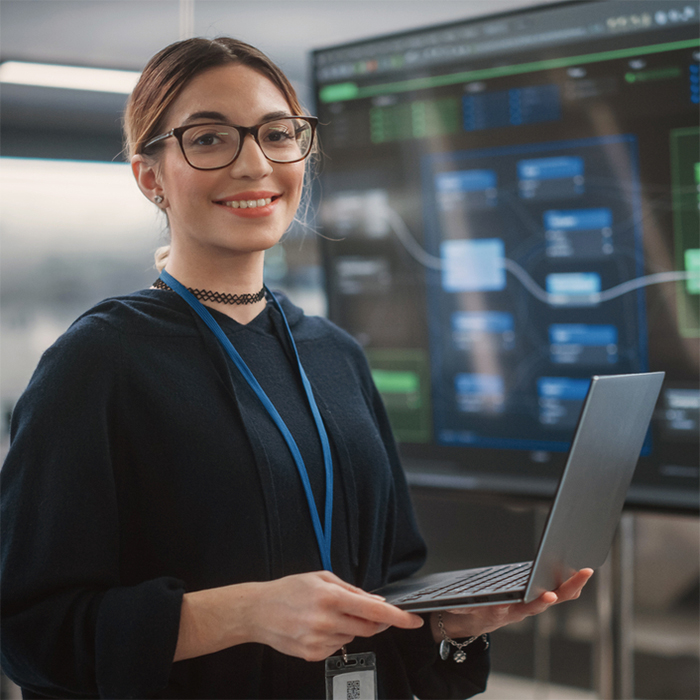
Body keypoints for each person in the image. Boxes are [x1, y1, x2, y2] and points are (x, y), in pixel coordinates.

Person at [0, 37, 592, 699]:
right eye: (209, 138)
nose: (254, 163)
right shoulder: (99, 362)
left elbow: (391, 581)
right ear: (151, 176)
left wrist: (445, 626)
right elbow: (29, 631)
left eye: (278, 134)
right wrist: (241, 613)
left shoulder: (336, 354)